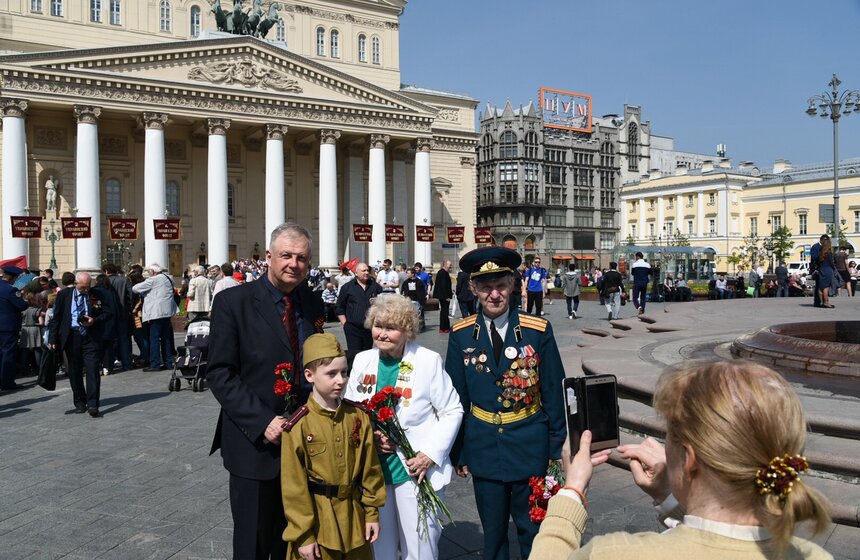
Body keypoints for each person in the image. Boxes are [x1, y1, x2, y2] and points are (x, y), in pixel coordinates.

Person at [530, 360, 832, 560]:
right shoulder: (813, 555)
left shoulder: (614, 553)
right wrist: (670, 496)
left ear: (688, 458)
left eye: (670, 436)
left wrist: (572, 492)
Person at [205, 222, 325, 560]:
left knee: (296, 540)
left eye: (302, 258)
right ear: (268, 257)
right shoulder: (234, 302)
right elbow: (220, 373)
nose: (294, 264)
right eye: (286, 255)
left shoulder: (312, 303)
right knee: (254, 543)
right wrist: (263, 422)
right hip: (255, 444)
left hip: (305, 441)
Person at [446, 247, 566, 560]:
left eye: (500, 286)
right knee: (494, 535)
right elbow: (455, 397)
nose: (494, 294)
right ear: (473, 289)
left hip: (531, 444)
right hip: (483, 446)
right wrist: (458, 450)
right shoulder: (461, 335)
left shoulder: (536, 330)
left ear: (513, 285)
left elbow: (553, 391)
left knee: (533, 530)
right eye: (485, 287)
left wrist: (556, 450)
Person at [344, 295, 463, 560]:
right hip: (374, 471)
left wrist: (429, 455)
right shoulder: (362, 360)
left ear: (406, 330)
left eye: (391, 327)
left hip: (415, 470)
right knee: (380, 547)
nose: (382, 333)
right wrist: (371, 437)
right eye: (378, 325)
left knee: (420, 546)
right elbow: (350, 411)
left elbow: (452, 409)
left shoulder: (428, 360)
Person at [281, 333, 386, 560]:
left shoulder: (358, 417)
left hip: (354, 518)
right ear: (309, 375)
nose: (341, 380)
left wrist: (371, 513)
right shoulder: (298, 426)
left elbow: (371, 469)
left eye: (344, 372)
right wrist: (303, 536)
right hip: (319, 521)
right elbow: (293, 487)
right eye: (331, 374)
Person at [48, 272, 112, 416]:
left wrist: (94, 320)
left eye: (88, 287)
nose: (86, 290)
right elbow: (56, 318)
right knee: (74, 371)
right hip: (72, 336)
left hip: (91, 336)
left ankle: (93, 404)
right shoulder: (64, 295)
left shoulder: (97, 294)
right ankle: (80, 402)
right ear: (76, 284)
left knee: (93, 369)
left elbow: (108, 313)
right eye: (83, 287)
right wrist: (52, 339)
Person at [132, 264, 178, 372]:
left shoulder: (153, 280)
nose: (148, 273)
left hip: (156, 313)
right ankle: (168, 362)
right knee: (166, 338)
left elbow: (135, 288)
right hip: (167, 312)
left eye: (148, 271)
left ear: (153, 271)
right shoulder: (168, 278)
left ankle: (155, 363)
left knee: (154, 338)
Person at [336, 263, 383, 368]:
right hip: (352, 327)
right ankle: (355, 377)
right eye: (363, 271)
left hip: (369, 327)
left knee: (368, 354)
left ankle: (367, 376)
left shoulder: (375, 286)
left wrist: (378, 301)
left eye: (367, 270)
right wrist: (345, 324)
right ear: (356, 273)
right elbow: (339, 307)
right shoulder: (347, 287)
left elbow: (384, 301)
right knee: (355, 355)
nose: (366, 273)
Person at [0, 266, 28, 391]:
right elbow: (21, 306)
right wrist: (24, 299)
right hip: (8, 328)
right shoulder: (11, 290)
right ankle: (7, 382)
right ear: (12, 277)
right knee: (8, 354)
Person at [102, 263, 133, 371]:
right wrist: (129, 308)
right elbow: (131, 295)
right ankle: (126, 364)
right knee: (123, 339)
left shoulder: (104, 281)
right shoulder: (124, 280)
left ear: (106, 271)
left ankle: (109, 365)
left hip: (108, 314)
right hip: (123, 313)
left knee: (109, 340)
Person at [432, 259, 453, 333]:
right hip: (444, 296)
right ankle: (445, 328)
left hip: (442, 295)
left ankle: (443, 327)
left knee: (443, 311)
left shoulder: (441, 272)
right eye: (449, 264)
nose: (451, 266)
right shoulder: (444, 273)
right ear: (445, 265)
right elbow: (444, 286)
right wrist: (446, 296)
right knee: (445, 312)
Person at [816, 237, 836, 308]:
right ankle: (826, 302)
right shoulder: (829, 253)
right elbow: (831, 263)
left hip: (821, 270)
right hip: (828, 270)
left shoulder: (820, 253)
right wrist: (834, 269)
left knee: (820, 287)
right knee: (826, 287)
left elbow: (817, 262)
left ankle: (821, 302)